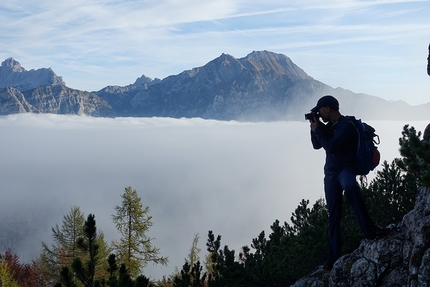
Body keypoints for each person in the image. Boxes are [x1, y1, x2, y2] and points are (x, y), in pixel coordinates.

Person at [308, 95, 390, 270]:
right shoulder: (329, 126)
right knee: (333, 215)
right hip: (330, 173)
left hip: (345, 169)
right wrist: (314, 127)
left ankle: (370, 230)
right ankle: (333, 257)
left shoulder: (347, 126)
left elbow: (330, 146)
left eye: (320, 110)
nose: (320, 113)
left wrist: (319, 130)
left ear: (328, 109)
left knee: (351, 187)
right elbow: (317, 145)